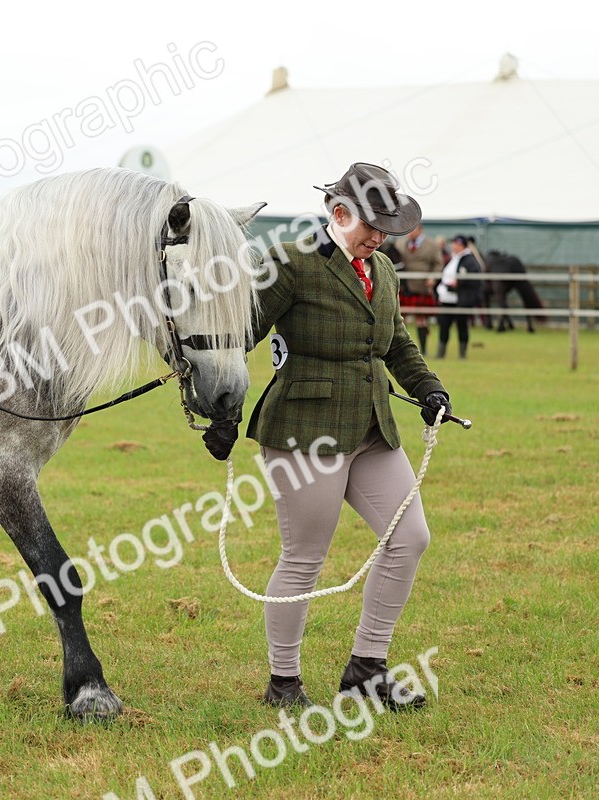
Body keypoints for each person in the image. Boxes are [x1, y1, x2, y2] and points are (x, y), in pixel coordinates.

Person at [207, 163, 454, 711]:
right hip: (304, 431)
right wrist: (220, 411)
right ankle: (284, 682)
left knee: (410, 536)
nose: (379, 237)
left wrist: (429, 387)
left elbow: (396, 346)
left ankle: (366, 670)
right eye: (372, 225)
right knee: (304, 558)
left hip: (372, 428)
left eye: (387, 227)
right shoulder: (291, 264)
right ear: (338, 214)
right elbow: (237, 340)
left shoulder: (383, 271)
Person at [397, 224, 443, 355]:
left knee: (421, 319)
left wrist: (433, 278)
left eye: (412, 230)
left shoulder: (432, 245)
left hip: (422, 287)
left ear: (420, 230)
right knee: (400, 319)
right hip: (404, 287)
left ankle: (424, 350)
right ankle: (400, 350)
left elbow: (438, 264)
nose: (409, 233)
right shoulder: (400, 243)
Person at [435, 235, 482, 358]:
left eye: (456, 244)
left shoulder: (469, 260)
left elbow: (472, 278)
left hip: (460, 299)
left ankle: (462, 354)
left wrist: (458, 283)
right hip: (447, 298)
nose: (453, 246)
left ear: (462, 245)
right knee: (444, 325)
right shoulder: (453, 258)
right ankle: (441, 353)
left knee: (462, 326)